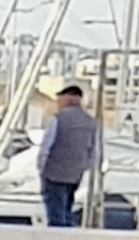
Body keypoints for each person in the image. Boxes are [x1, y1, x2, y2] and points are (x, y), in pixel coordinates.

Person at [39, 80, 101, 228]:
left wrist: (41, 167)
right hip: (75, 174)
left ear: (69, 98)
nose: (58, 101)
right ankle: (67, 233)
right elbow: (94, 150)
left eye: (60, 97)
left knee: (55, 210)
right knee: (67, 207)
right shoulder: (91, 122)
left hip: (54, 172)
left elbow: (46, 146)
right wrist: (84, 167)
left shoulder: (58, 119)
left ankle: (58, 236)